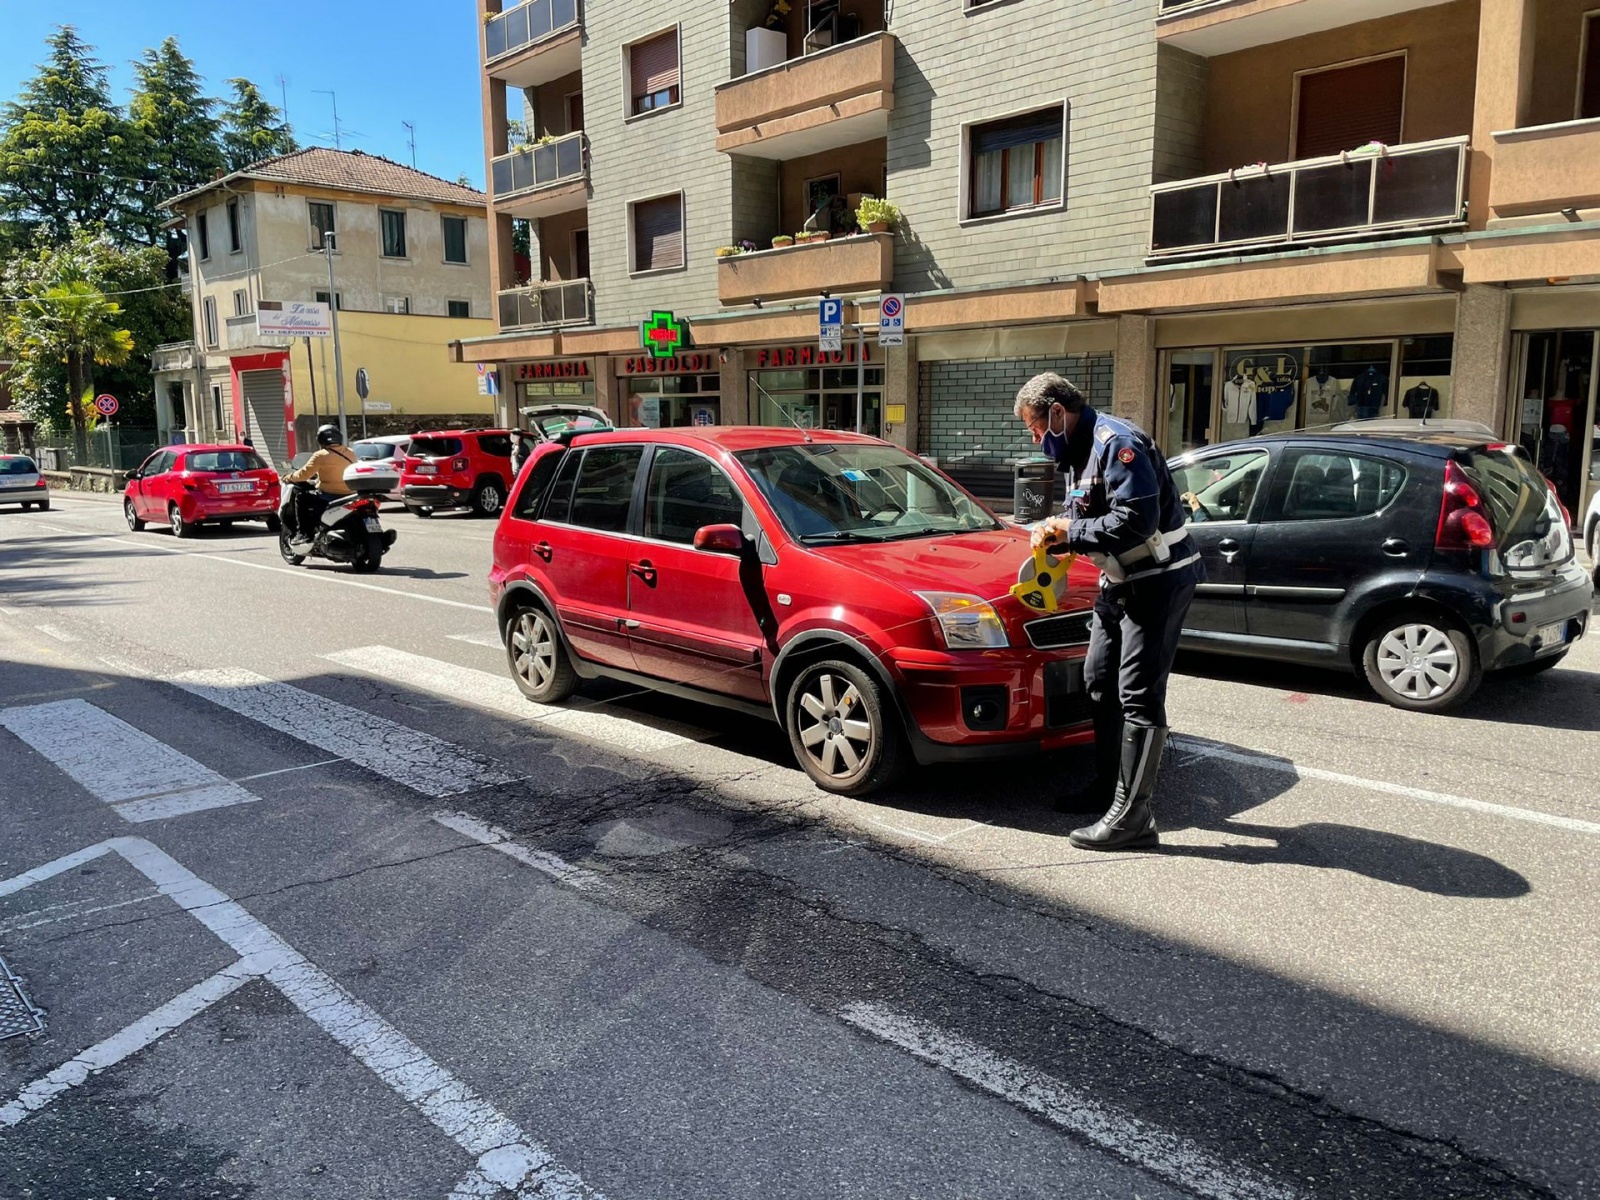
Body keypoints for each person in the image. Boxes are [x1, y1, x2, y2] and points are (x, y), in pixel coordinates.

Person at [1014, 373, 1202, 851]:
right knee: (1099, 682)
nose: (1036, 441)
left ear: (1057, 411)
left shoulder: (1118, 443)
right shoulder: (1079, 451)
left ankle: (1134, 817)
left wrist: (1067, 531)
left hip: (1158, 579)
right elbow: (1089, 519)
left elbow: (1135, 521)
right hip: (1116, 581)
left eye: (1035, 428)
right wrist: (1057, 541)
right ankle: (1110, 790)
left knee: (1138, 692)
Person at [283, 424, 355, 544]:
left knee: (301, 498)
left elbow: (303, 475)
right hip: (350, 494)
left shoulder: (320, 455)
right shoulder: (350, 452)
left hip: (329, 495)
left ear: (320, 439)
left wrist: (288, 477)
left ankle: (304, 533)